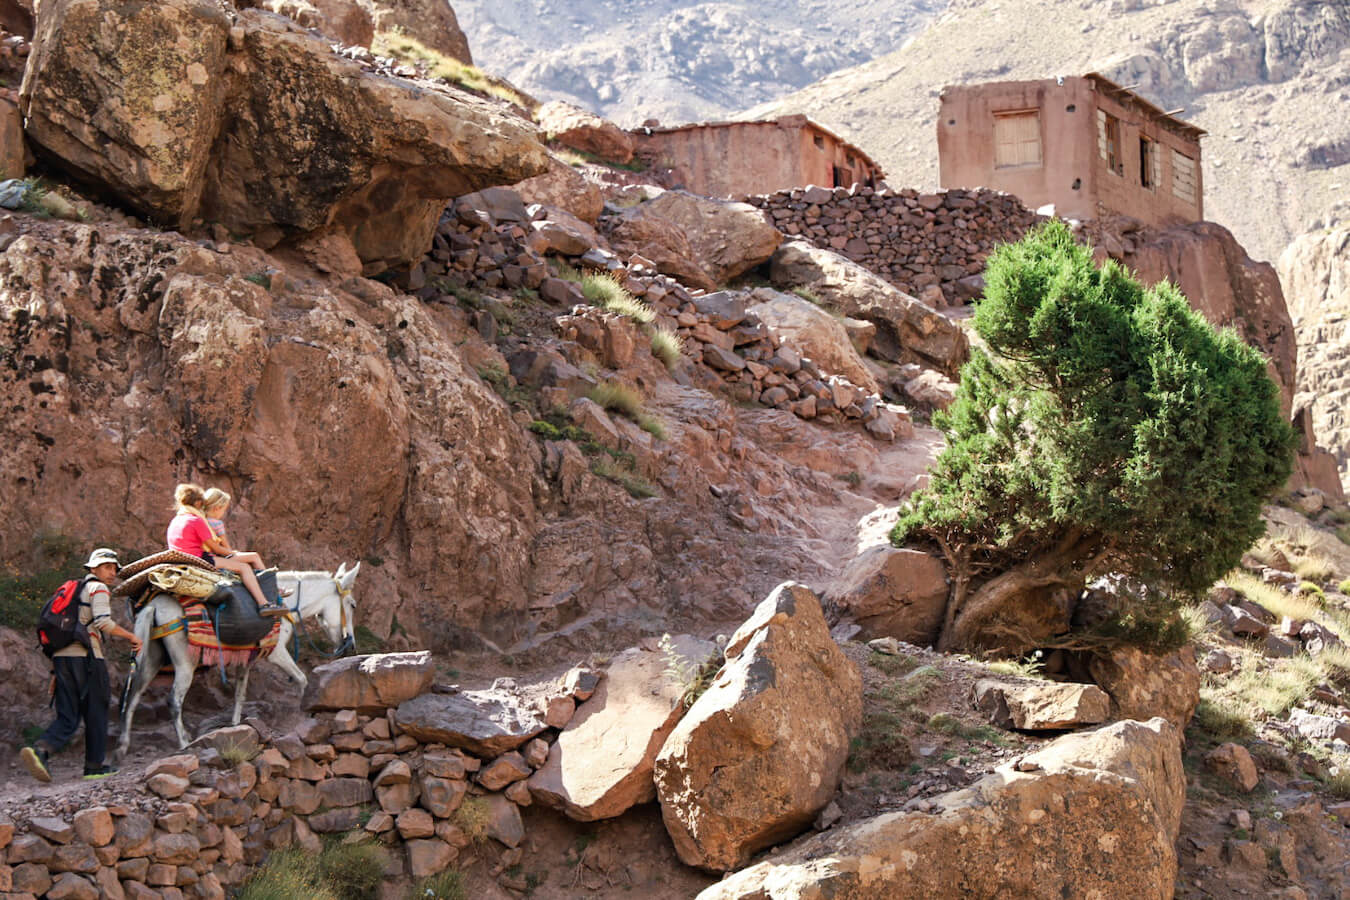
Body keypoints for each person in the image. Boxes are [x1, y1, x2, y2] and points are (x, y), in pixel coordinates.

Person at [21, 548, 142, 782]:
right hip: (87, 658)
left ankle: (41, 750)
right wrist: (132, 637)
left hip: (62, 658)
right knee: (97, 708)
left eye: (114, 568)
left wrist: (56, 671)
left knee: (68, 713)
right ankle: (94, 766)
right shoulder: (98, 588)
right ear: (93, 569)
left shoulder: (74, 590)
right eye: (107, 567)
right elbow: (103, 623)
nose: (112, 572)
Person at [167, 483, 283, 615]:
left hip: (182, 559)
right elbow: (216, 548)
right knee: (244, 568)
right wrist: (233, 553)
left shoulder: (176, 520)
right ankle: (264, 604)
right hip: (198, 559)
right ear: (198, 502)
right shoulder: (196, 520)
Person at [201, 488, 265, 573]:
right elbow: (226, 547)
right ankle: (268, 579)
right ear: (217, 508)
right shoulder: (216, 524)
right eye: (224, 510)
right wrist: (234, 553)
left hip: (204, 557)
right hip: (216, 558)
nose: (223, 513)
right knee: (254, 556)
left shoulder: (200, 520)